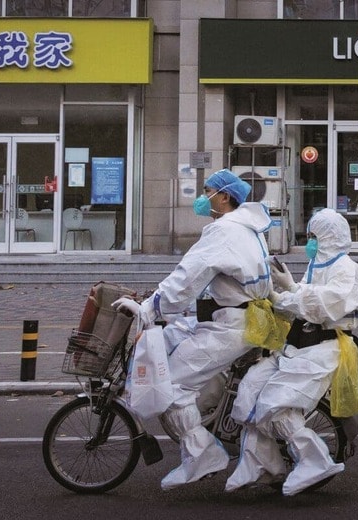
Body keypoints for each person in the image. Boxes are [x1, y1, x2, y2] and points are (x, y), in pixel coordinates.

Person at [111, 168, 274, 490]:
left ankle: (203, 454)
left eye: (207, 190)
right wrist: (170, 309)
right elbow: (208, 280)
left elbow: (188, 276)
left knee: (170, 388)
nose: (202, 197)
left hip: (231, 326)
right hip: (237, 318)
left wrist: (150, 308)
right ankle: (206, 425)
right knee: (176, 337)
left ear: (224, 196)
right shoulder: (246, 228)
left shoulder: (224, 230)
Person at [225, 208, 358, 496]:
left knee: (275, 406)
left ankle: (315, 461)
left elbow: (324, 305)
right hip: (296, 345)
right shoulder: (319, 263)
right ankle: (260, 463)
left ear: (329, 237)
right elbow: (303, 296)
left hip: (322, 348)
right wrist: (279, 294)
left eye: (314, 236)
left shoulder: (346, 268)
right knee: (250, 390)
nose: (310, 242)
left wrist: (290, 290)